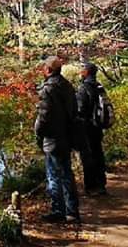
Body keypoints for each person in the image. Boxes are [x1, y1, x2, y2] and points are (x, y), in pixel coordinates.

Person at [34, 56, 80, 223]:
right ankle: (72, 212)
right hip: (67, 136)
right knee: (67, 174)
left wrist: (37, 133)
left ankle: (58, 210)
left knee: (53, 176)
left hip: (52, 138)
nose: (42, 70)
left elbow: (43, 117)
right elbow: (75, 110)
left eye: (44, 67)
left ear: (49, 70)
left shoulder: (47, 89)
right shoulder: (67, 86)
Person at [76, 62, 108, 196]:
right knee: (98, 154)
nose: (79, 72)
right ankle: (101, 184)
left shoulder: (84, 88)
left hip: (87, 127)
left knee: (88, 157)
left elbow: (80, 109)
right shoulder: (99, 86)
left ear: (86, 72)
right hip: (98, 126)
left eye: (81, 70)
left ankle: (91, 187)